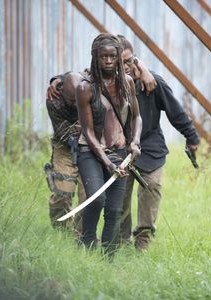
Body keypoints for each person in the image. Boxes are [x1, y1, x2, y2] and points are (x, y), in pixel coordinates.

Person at [117, 35, 200, 251]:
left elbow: (176, 112)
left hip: (150, 147)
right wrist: (57, 81)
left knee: (151, 187)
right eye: (120, 63)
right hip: (120, 150)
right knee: (119, 199)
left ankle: (143, 242)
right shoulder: (107, 85)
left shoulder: (152, 82)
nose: (125, 67)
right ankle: (121, 243)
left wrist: (192, 138)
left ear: (135, 59)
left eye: (129, 61)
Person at [76, 33, 142, 255]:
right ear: (95, 57)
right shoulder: (85, 88)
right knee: (96, 198)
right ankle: (87, 242)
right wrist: (106, 162)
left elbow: (136, 117)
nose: (108, 61)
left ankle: (108, 258)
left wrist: (135, 141)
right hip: (91, 151)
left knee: (114, 210)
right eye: (103, 56)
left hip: (120, 151)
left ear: (117, 57)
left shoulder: (128, 83)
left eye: (112, 56)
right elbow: (87, 131)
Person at [45, 71, 87, 235]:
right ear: (62, 92)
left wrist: (57, 78)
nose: (76, 106)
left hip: (89, 146)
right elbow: (63, 133)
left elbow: (86, 72)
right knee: (62, 193)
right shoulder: (53, 100)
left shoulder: (88, 87)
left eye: (79, 101)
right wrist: (78, 129)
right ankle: (61, 233)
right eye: (72, 101)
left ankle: (81, 237)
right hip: (64, 147)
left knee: (87, 196)